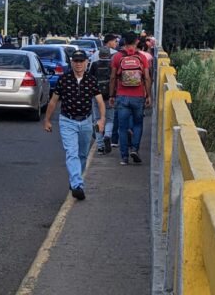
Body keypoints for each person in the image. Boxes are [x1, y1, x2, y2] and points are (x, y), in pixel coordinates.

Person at [44, 49, 106, 200]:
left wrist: (102, 119)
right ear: (72, 63)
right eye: (76, 61)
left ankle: (74, 180)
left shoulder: (91, 80)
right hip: (67, 120)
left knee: (82, 155)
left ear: (86, 63)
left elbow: (99, 101)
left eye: (81, 61)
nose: (78, 64)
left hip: (85, 121)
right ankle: (77, 185)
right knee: (71, 153)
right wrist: (47, 120)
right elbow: (53, 101)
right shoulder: (64, 79)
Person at [109, 31, 152, 165]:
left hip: (122, 96)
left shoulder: (117, 57)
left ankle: (124, 157)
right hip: (138, 96)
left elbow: (112, 78)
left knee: (122, 127)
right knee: (138, 124)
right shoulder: (142, 57)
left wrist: (111, 95)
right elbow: (146, 77)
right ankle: (134, 148)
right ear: (137, 41)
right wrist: (148, 95)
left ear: (123, 41)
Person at [89, 33, 119, 154]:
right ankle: (107, 135)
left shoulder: (95, 63)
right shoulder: (113, 62)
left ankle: (100, 145)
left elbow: (89, 79)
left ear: (100, 54)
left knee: (97, 119)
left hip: (97, 95)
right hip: (110, 95)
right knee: (110, 119)